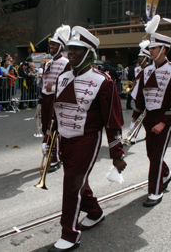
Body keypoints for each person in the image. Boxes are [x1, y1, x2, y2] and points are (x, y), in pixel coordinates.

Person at [46, 26, 126, 252]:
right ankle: (95, 212)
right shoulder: (63, 76)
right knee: (78, 182)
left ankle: (70, 235)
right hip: (65, 139)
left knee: (72, 184)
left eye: (77, 49)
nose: (71, 52)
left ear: (89, 52)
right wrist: (49, 138)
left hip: (87, 141)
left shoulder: (104, 81)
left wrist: (116, 153)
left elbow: (112, 120)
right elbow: (56, 112)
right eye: (70, 48)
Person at [132, 15, 171, 207]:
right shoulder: (146, 70)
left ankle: (156, 191)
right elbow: (142, 96)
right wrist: (135, 117)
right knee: (151, 153)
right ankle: (167, 174)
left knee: (156, 155)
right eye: (149, 48)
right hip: (148, 117)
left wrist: (164, 122)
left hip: (163, 119)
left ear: (163, 49)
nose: (149, 51)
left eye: (153, 48)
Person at [40, 25, 71, 173]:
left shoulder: (66, 63)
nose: (51, 46)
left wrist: (52, 89)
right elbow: (44, 83)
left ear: (61, 47)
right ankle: (59, 154)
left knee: (53, 128)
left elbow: (69, 84)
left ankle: (54, 159)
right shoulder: (49, 62)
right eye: (50, 44)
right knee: (47, 126)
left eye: (54, 44)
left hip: (57, 99)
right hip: (46, 99)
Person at [128, 39, 151, 144]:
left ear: (146, 58)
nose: (139, 58)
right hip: (138, 95)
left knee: (145, 117)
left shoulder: (151, 68)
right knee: (136, 116)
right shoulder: (137, 69)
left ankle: (146, 135)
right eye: (139, 56)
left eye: (141, 57)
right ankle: (132, 136)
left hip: (147, 95)